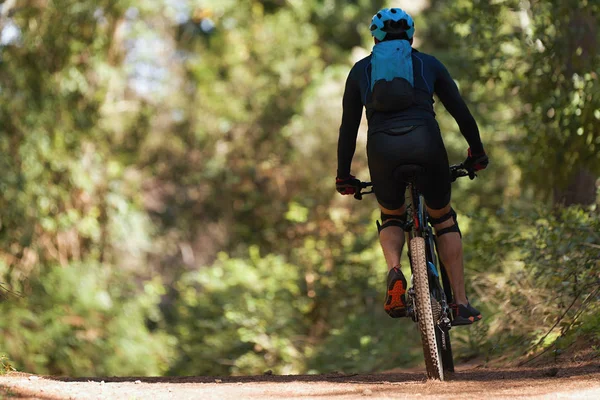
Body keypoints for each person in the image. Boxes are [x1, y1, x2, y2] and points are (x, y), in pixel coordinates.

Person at [335, 8, 489, 326]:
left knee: (392, 215)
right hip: (426, 143)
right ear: (411, 35)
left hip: (381, 151)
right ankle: (460, 303)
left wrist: (344, 175)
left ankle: (394, 269)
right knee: (443, 218)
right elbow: (461, 112)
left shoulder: (360, 71)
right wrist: (477, 152)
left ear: (374, 38)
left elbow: (348, 129)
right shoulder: (427, 64)